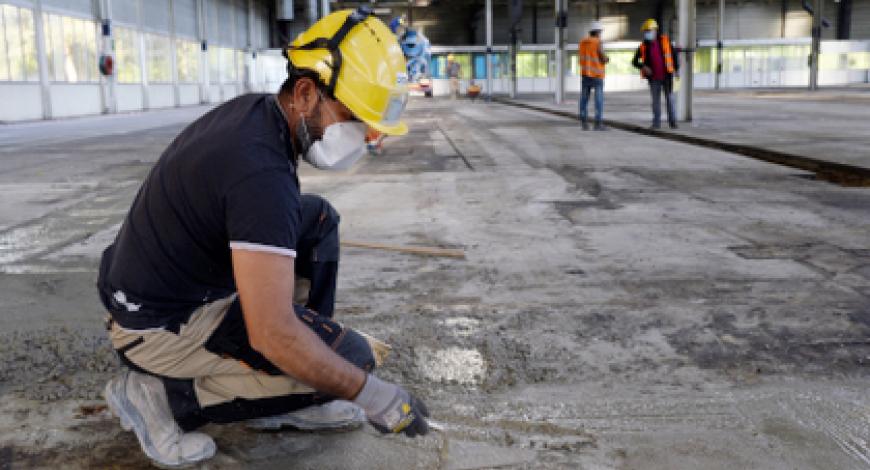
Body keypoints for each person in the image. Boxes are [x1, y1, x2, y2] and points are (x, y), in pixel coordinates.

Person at [98, 7, 428, 468]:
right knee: (352, 362)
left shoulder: (258, 116)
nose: (363, 136)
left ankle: (293, 391)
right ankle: (160, 396)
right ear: (306, 92)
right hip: (160, 326)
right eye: (353, 117)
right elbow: (272, 334)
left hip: (161, 286)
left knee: (317, 220)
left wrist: (312, 357)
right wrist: (373, 396)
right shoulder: (260, 174)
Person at [632, 18, 679, 129]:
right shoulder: (643, 46)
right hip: (653, 79)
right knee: (655, 102)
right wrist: (643, 66)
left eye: (648, 31)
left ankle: (673, 122)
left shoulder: (665, 41)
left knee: (670, 100)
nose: (646, 33)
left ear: (655, 30)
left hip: (667, 77)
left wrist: (676, 70)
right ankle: (656, 123)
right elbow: (634, 61)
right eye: (645, 31)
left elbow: (674, 56)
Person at [578, 20, 610, 131]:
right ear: (597, 32)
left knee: (584, 99)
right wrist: (607, 59)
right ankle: (598, 124)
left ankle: (584, 123)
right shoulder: (598, 42)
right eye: (600, 32)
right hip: (597, 75)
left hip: (585, 74)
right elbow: (602, 56)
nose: (600, 34)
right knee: (598, 100)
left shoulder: (582, 42)